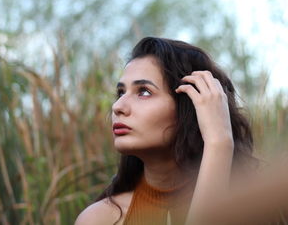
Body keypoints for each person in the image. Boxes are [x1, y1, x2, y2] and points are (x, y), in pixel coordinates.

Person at [75, 37, 256, 225]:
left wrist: (219, 141)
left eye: (144, 91)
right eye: (121, 92)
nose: (118, 106)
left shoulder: (251, 209)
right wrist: (220, 143)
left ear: (190, 106)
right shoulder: (100, 219)